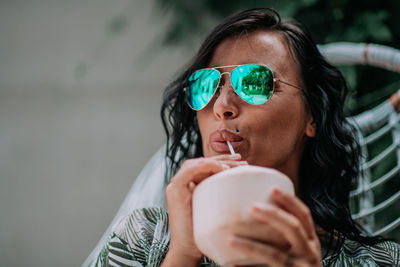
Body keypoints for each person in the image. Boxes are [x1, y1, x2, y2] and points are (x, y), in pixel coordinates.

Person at [93, 8, 400, 266]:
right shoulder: (142, 239)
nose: (222, 107)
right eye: (205, 85)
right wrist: (182, 256)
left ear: (313, 116)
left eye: (254, 82)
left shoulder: (380, 261)